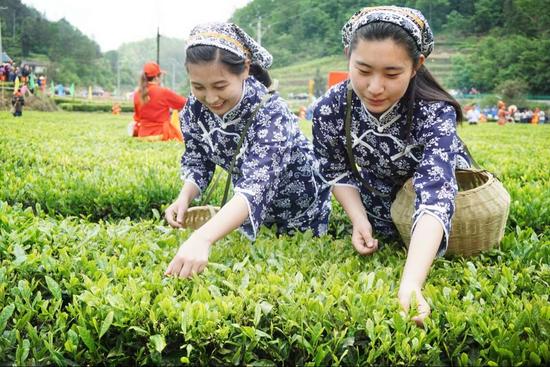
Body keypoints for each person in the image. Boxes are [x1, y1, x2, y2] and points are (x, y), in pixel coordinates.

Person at [312, 6, 472, 327]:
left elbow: (434, 195)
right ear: (348, 57)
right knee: (382, 231)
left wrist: (411, 284)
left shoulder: (433, 112)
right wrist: (359, 220)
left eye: (391, 74)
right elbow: (336, 169)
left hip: (427, 206)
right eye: (363, 69)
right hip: (378, 197)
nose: (374, 87)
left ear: (416, 67)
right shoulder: (329, 107)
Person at [164, 23, 331, 278]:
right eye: (198, 87)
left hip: (302, 213)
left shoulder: (271, 112)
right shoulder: (193, 111)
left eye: (220, 86)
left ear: (244, 69)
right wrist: (184, 197)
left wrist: (203, 238)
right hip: (243, 213)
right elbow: (198, 161)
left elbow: (256, 185)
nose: (210, 98)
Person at [132, 62, 187, 141]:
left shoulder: (137, 94)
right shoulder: (163, 92)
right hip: (161, 135)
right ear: (156, 77)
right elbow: (184, 103)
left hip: (142, 135)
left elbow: (137, 118)